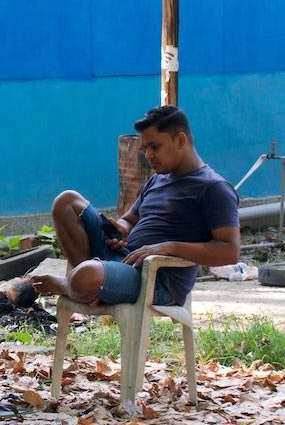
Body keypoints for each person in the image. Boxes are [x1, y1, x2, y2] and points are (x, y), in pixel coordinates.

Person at [31, 105, 240, 307]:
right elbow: (130, 220)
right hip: (122, 259)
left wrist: (170, 247)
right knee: (67, 201)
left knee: (87, 275)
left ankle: (73, 284)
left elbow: (230, 252)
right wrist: (120, 230)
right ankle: (87, 287)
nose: (148, 155)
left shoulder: (213, 188)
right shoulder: (158, 179)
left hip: (154, 278)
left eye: (155, 147)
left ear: (180, 140)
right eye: (145, 148)